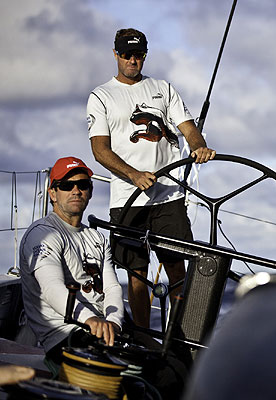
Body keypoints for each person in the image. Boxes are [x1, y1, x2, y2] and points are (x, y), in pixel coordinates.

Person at [86, 28, 216, 328]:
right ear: (116, 54)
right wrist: (133, 175)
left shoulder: (163, 88)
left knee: (176, 269)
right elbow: (99, 150)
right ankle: (144, 338)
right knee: (137, 274)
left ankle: (183, 337)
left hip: (168, 196)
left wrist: (198, 147)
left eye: (139, 54)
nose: (133, 60)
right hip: (127, 198)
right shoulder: (101, 96)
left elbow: (188, 127)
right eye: (128, 54)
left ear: (145, 55)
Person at [19, 157, 124, 367]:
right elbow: (51, 288)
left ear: (90, 191)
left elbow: (112, 287)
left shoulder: (97, 238)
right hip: (65, 335)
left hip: (102, 329)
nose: (76, 191)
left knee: (168, 365)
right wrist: (90, 320)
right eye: (67, 185)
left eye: (82, 185)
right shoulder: (42, 234)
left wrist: (114, 322)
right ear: (52, 194)